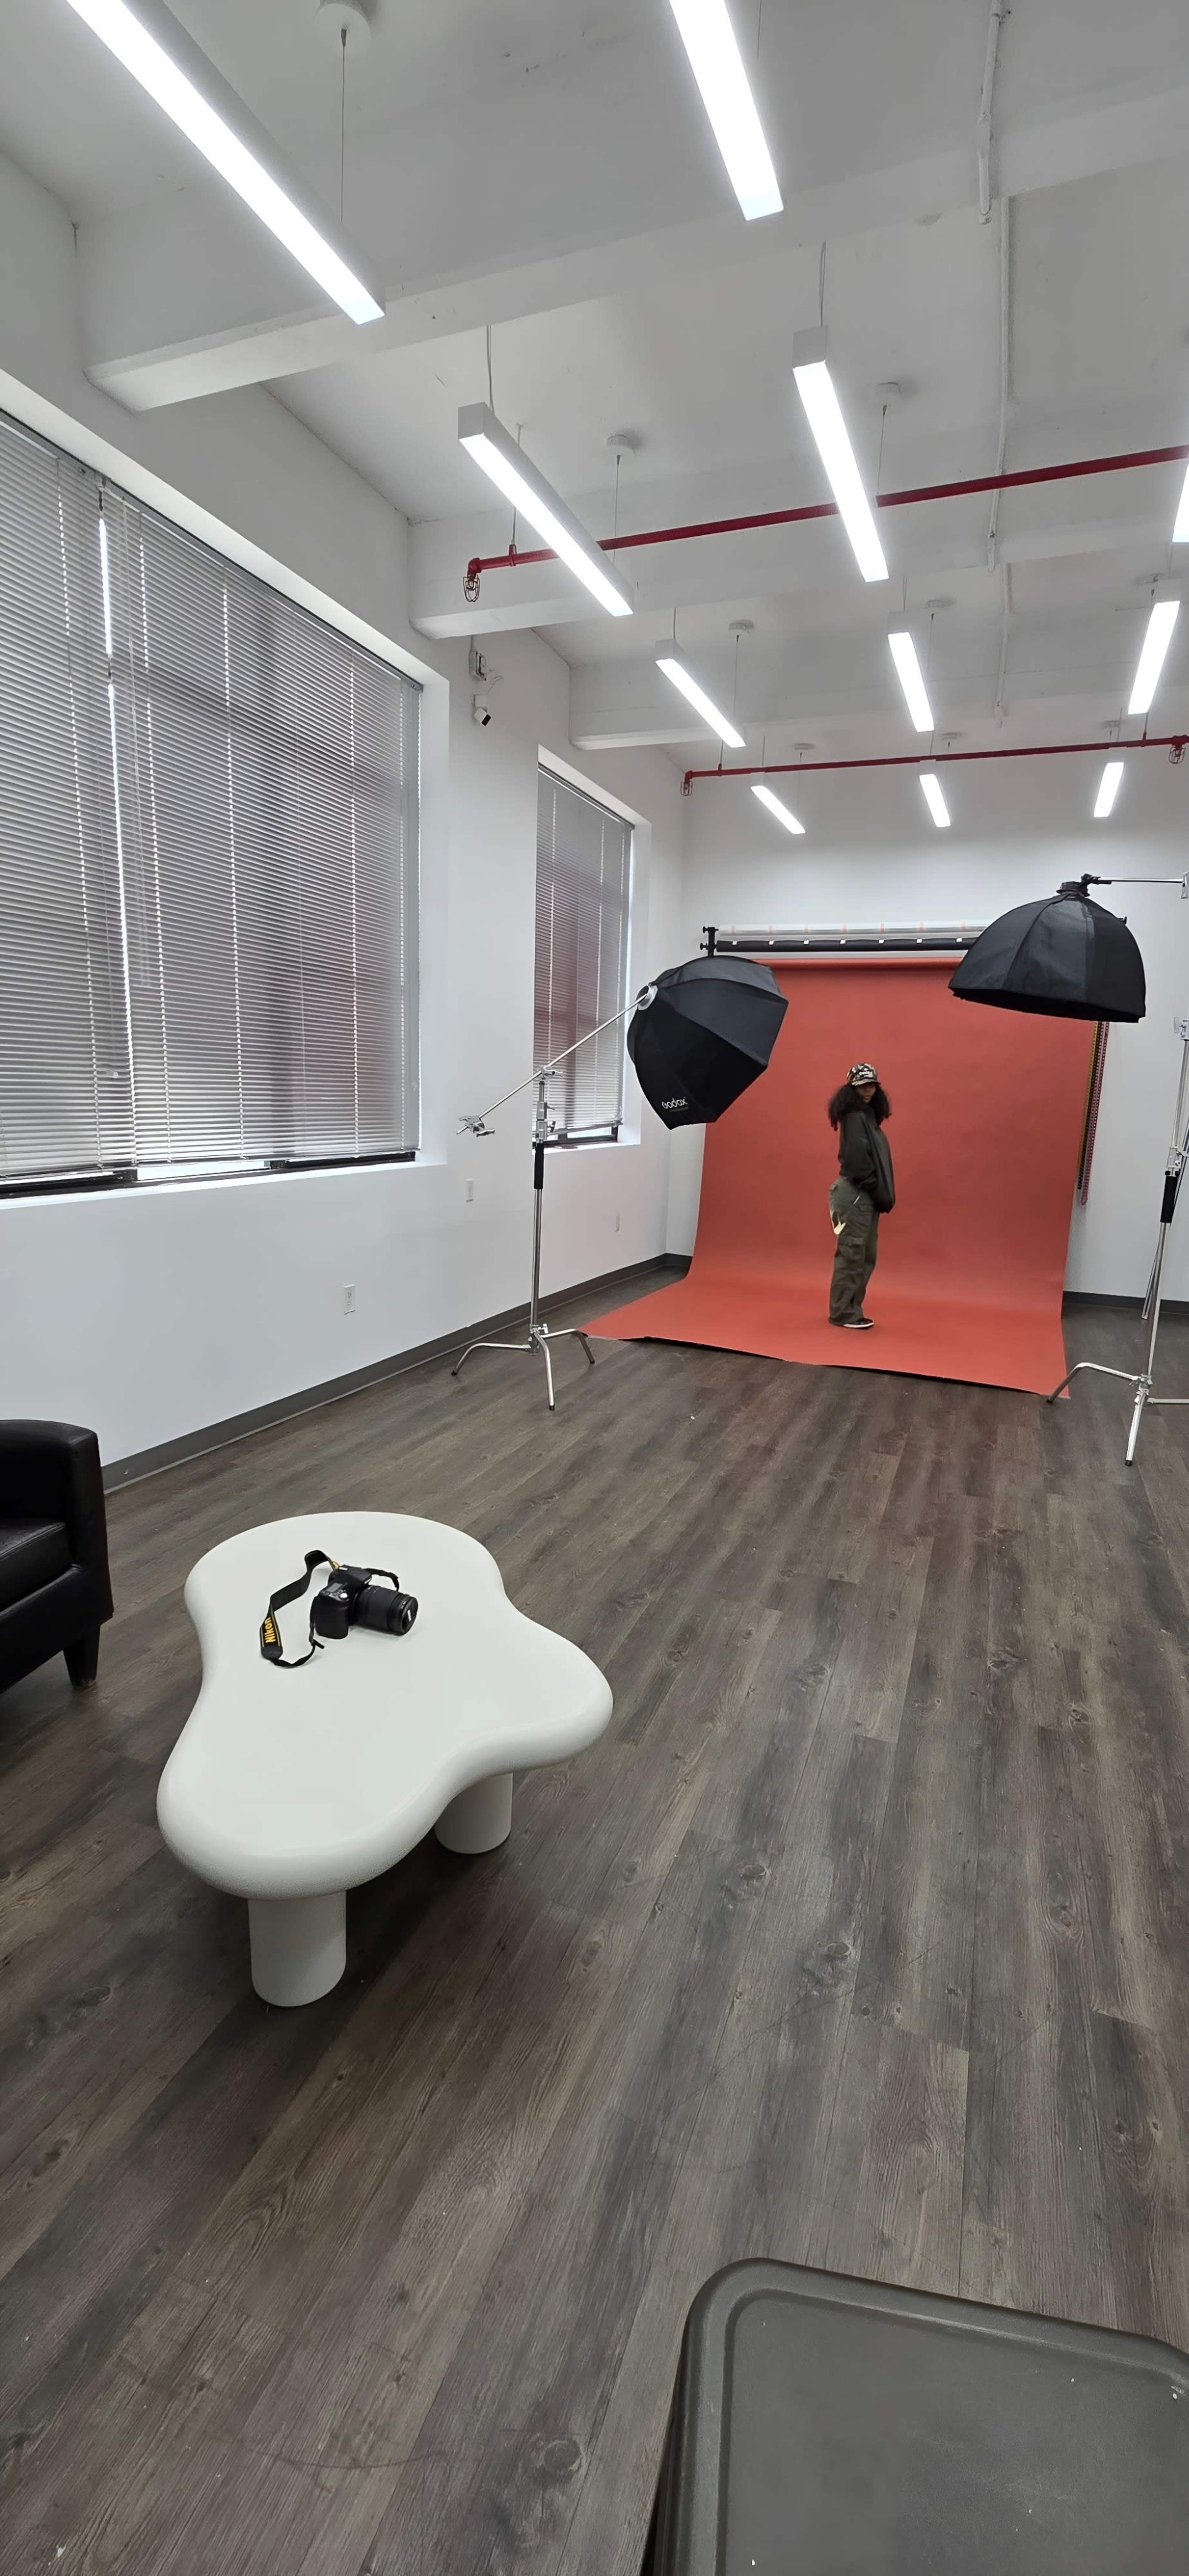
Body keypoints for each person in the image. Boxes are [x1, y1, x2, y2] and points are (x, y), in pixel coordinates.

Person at [827, 1061, 895, 1329]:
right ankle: (843, 1313)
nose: (868, 1091)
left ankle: (851, 1309)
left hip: (863, 1195)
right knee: (853, 1254)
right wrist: (878, 1191)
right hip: (856, 1195)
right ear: (850, 1089)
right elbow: (858, 1163)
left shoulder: (866, 1117)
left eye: (872, 1086)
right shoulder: (855, 1117)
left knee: (865, 1256)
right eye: (862, 1086)